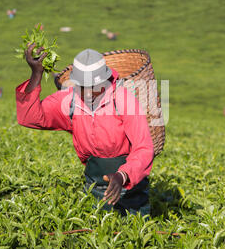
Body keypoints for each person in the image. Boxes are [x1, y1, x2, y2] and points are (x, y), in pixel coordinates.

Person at [16, 46, 154, 216]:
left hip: (131, 188)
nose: (88, 93)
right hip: (94, 187)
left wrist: (122, 176)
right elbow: (30, 117)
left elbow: (144, 148)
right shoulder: (70, 101)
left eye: (93, 86)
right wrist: (36, 74)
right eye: (83, 87)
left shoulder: (123, 100)